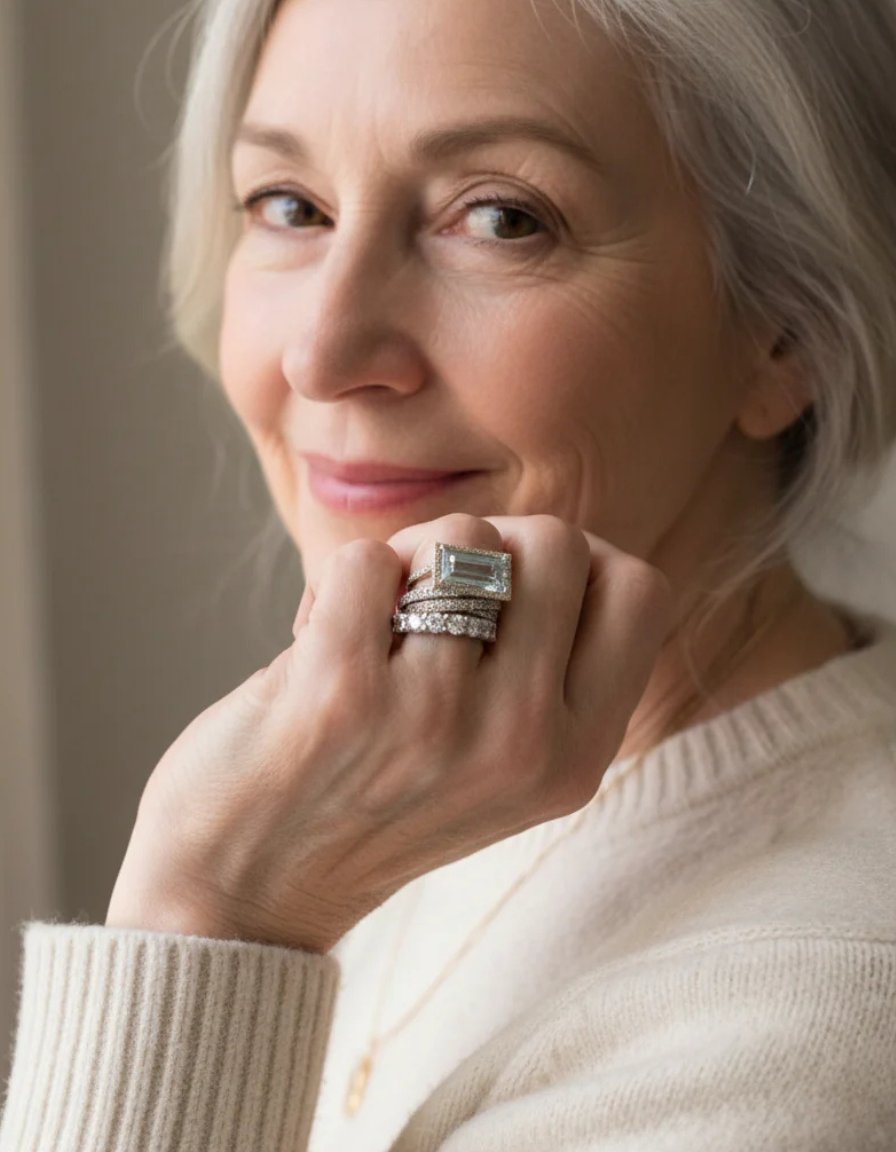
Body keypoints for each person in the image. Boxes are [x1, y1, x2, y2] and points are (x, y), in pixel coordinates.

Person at [3, 0, 896, 1147]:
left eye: (501, 218)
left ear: (789, 330)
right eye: (290, 206)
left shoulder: (791, 1046)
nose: (321, 353)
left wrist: (211, 912)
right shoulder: (434, 763)